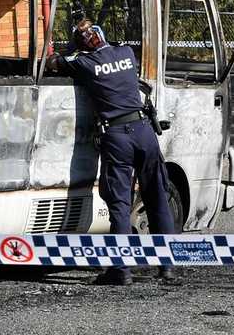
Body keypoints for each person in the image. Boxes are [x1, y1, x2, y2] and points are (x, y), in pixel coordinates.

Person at [47, 17, 182, 286]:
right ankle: (167, 267)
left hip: (117, 137)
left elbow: (52, 64)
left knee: (120, 204)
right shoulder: (125, 52)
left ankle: (121, 270)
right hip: (144, 132)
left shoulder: (83, 63)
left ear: (80, 45)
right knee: (157, 196)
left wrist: (64, 50)